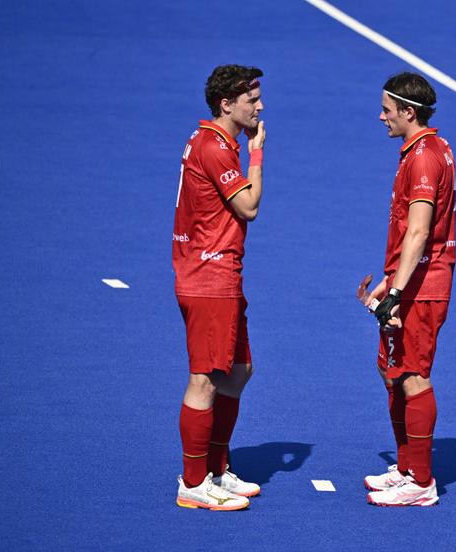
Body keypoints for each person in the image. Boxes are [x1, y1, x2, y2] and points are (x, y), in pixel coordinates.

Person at [357, 72, 456, 507]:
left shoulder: (424, 159)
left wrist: (396, 293)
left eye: (387, 110)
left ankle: (420, 481)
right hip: (410, 280)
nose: (381, 117)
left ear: (408, 112)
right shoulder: (428, 149)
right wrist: (390, 280)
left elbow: (418, 231)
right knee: (392, 371)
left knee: (413, 376)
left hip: (421, 287)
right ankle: (405, 467)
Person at [171, 64, 267, 511]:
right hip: (209, 275)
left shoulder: (214, 140)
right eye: (252, 100)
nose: (260, 107)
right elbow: (248, 206)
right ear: (226, 104)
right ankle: (193, 483)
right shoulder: (214, 147)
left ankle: (215, 468)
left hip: (220, 273)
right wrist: (257, 155)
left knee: (239, 369)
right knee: (205, 379)